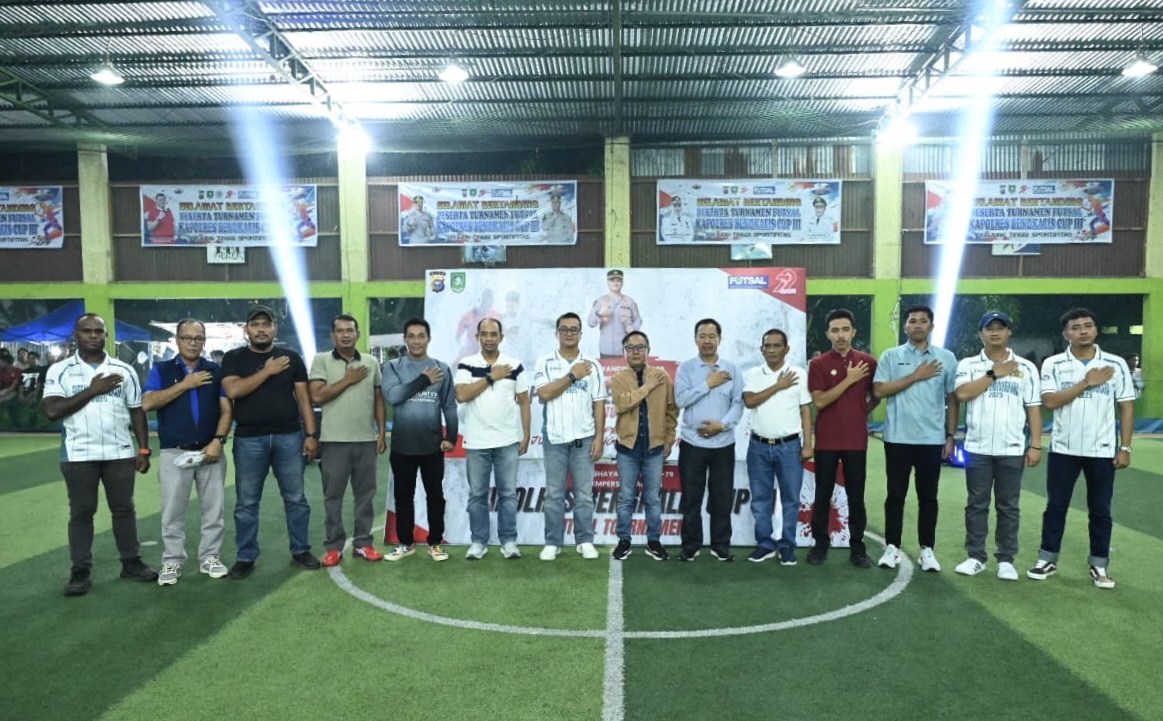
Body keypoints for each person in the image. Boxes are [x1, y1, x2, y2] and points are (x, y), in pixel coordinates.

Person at [42, 313, 158, 596]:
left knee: (124, 509)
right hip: (79, 454)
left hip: (119, 452)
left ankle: (131, 562)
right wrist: (92, 390)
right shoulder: (60, 370)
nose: (93, 335)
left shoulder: (124, 370)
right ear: (76, 335)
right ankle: (80, 571)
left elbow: (137, 411)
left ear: (106, 335)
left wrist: (143, 449)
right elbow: (53, 410)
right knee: (82, 512)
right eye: (87, 331)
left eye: (98, 331)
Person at [1029, 308, 1135, 589]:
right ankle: (1047, 559)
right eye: (1076, 327)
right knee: (1056, 507)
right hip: (1063, 449)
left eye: (1088, 325)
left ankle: (1099, 565)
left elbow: (1126, 406)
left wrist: (1125, 447)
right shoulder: (1053, 363)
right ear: (1066, 334)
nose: (1083, 331)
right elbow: (1050, 402)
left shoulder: (1115, 364)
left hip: (1102, 450)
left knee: (1100, 510)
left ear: (1096, 330)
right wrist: (1087, 381)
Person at [221, 305, 320, 577]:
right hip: (249, 440)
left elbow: (304, 400)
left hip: (289, 437)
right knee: (246, 502)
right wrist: (267, 371)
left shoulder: (291, 358)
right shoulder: (234, 358)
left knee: (296, 499)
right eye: (255, 325)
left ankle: (300, 549)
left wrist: (311, 435)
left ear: (275, 328)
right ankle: (245, 556)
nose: (261, 329)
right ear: (246, 330)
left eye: (266, 324)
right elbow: (233, 390)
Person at [142, 319, 233, 586]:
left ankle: (210, 557)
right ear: (177, 340)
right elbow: (147, 403)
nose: (193, 343)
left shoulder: (215, 371)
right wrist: (185, 384)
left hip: (210, 451)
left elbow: (227, 410)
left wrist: (218, 440)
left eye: (198, 338)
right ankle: (172, 561)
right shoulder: (162, 370)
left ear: (204, 341)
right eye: (187, 338)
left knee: (214, 511)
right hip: (174, 451)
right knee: (172, 512)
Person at [952, 311, 1043, 582]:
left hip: (1012, 448)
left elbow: (1033, 408)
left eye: (1000, 328)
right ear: (980, 333)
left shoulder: (1025, 367)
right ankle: (975, 557)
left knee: (1008, 506)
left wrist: (1036, 445)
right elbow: (963, 393)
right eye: (989, 328)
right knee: (976, 504)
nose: (995, 332)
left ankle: (1006, 560)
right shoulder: (968, 364)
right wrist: (994, 373)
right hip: (977, 447)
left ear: (1008, 332)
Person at [872, 304, 959, 572]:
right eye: (912, 321)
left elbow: (953, 398)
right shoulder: (891, 355)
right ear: (905, 326)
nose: (917, 325)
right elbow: (879, 390)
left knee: (928, 497)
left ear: (931, 326)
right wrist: (916, 376)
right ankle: (892, 548)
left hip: (931, 440)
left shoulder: (946, 358)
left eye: (923, 321)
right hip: (897, 438)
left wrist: (950, 435)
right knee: (895, 495)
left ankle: (927, 550)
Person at [309, 314, 388, 567]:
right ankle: (334, 547)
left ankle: (363, 543)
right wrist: (348, 380)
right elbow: (317, 396)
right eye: (340, 331)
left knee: (365, 496)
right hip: (333, 441)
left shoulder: (371, 362)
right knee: (333, 497)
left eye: (350, 330)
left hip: (365, 441)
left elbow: (378, 399)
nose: (345, 335)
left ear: (358, 334)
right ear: (333, 335)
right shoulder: (321, 360)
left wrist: (381, 433)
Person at [806, 309, 879, 568]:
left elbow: (876, 396)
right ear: (828, 334)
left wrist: (859, 413)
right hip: (826, 441)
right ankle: (820, 545)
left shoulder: (868, 362)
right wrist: (849, 380)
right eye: (835, 330)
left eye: (845, 329)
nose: (840, 335)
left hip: (856, 441)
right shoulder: (818, 364)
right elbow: (820, 401)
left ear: (853, 332)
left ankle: (857, 548)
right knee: (823, 494)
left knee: (856, 496)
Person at [454, 318, 531, 560]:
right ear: (477, 336)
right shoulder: (467, 364)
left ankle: (509, 541)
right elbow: (461, 395)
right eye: (484, 334)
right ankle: (479, 542)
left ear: (501, 337)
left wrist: (526, 435)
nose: (489, 338)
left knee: (508, 494)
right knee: (477, 495)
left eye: (493, 334)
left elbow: (525, 401)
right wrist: (491, 377)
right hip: (477, 442)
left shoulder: (514, 365)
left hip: (507, 441)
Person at [382, 318, 458, 562]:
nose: (416, 341)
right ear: (405, 339)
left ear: (429, 339)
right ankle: (406, 543)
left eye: (421, 336)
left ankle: (435, 543)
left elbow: (449, 406)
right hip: (402, 446)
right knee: (403, 496)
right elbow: (393, 396)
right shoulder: (392, 367)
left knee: (435, 496)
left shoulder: (441, 368)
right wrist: (423, 380)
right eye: (411, 336)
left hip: (432, 446)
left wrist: (451, 437)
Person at [532, 312, 606, 561]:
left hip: (584, 440)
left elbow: (599, 403)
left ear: (581, 334)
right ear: (557, 333)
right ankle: (552, 542)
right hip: (555, 440)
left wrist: (599, 437)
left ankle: (584, 540)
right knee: (554, 494)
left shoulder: (592, 364)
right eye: (564, 329)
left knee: (584, 495)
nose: (569, 333)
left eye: (574, 329)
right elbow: (544, 394)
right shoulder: (545, 362)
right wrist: (572, 375)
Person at [674, 318, 744, 562]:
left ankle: (720, 545)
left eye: (711, 336)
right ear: (696, 339)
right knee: (691, 498)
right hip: (692, 444)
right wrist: (708, 383)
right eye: (702, 336)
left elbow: (738, 403)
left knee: (722, 498)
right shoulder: (686, 369)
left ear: (719, 339)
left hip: (723, 444)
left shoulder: (732, 370)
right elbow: (681, 400)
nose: (707, 341)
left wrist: (721, 426)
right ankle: (691, 545)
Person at [742, 329, 812, 565]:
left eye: (776, 346)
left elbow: (805, 410)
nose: (771, 350)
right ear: (761, 349)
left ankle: (787, 545)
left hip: (790, 447)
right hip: (758, 446)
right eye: (767, 346)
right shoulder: (753, 374)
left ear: (786, 349)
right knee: (760, 499)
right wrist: (778, 385)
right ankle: (765, 544)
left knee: (790, 499)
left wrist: (808, 444)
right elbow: (750, 400)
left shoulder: (798, 374)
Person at [610, 332, 678, 561]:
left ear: (648, 350)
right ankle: (624, 540)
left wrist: (668, 439)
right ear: (624, 352)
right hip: (627, 449)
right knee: (626, 497)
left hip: (654, 449)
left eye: (640, 347)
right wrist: (647, 387)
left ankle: (654, 541)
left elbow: (671, 410)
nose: (636, 351)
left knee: (653, 498)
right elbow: (623, 404)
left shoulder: (661, 376)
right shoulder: (618, 378)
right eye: (630, 348)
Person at [588, 270, 643, 358]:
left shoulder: (629, 301)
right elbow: (590, 323)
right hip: (606, 349)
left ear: (622, 282)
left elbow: (638, 319)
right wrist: (600, 313)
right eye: (612, 280)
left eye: (618, 280)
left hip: (625, 349)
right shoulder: (600, 301)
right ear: (608, 282)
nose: (615, 283)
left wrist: (633, 329)